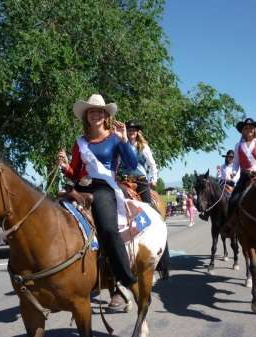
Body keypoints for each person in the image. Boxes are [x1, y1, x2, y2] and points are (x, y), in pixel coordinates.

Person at [58, 94, 138, 312]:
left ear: (105, 116)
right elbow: (75, 174)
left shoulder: (114, 137)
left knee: (108, 230)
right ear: (86, 116)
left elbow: (132, 164)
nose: (95, 114)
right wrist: (66, 167)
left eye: (99, 111)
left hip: (103, 188)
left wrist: (123, 140)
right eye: (92, 111)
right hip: (81, 187)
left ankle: (123, 282)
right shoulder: (80, 142)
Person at [121, 120, 158, 204]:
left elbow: (152, 164)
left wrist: (154, 179)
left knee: (148, 204)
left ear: (137, 132)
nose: (132, 132)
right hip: (125, 180)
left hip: (140, 180)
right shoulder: (121, 146)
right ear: (126, 132)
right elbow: (115, 162)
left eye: (134, 130)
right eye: (129, 130)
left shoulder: (143, 146)